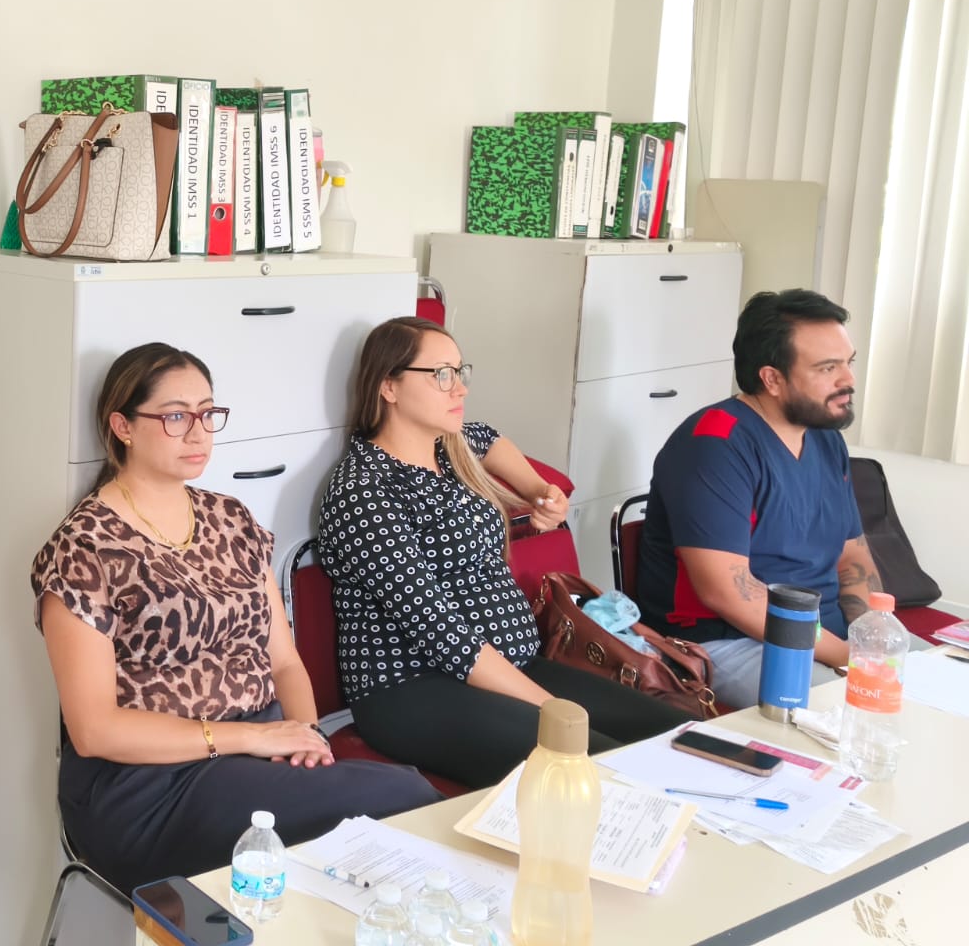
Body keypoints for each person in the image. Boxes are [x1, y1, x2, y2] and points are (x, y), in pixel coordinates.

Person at [32, 343, 439, 894]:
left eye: (208, 414)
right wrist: (251, 738)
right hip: (147, 785)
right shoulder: (84, 546)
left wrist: (306, 740)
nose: (199, 433)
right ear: (123, 426)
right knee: (397, 799)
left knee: (395, 805)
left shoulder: (230, 518)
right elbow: (94, 729)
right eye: (176, 417)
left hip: (256, 752)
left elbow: (285, 662)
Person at [316, 317, 688, 789]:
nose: (460, 388)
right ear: (388, 386)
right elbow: (442, 633)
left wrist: (539, 491)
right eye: (441, 375)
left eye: (460, 371)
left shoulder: (451, 446)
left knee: (675, 736)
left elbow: (489, 437)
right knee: (594, 766)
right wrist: (552, 707)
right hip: (415, 688)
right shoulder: (362, 492)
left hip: (512, 665)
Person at [636, 289, 885, 710]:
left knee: (940, 684)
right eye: (828, 368)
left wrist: (871, 639)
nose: (849, 380)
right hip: (729, 641)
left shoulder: (825, 439)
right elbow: (730, 594)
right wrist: (849, 658)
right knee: (853, 710)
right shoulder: (714, 445)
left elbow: (852, 558)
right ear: (772, 379)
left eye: (849, 362)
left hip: (826, 638)